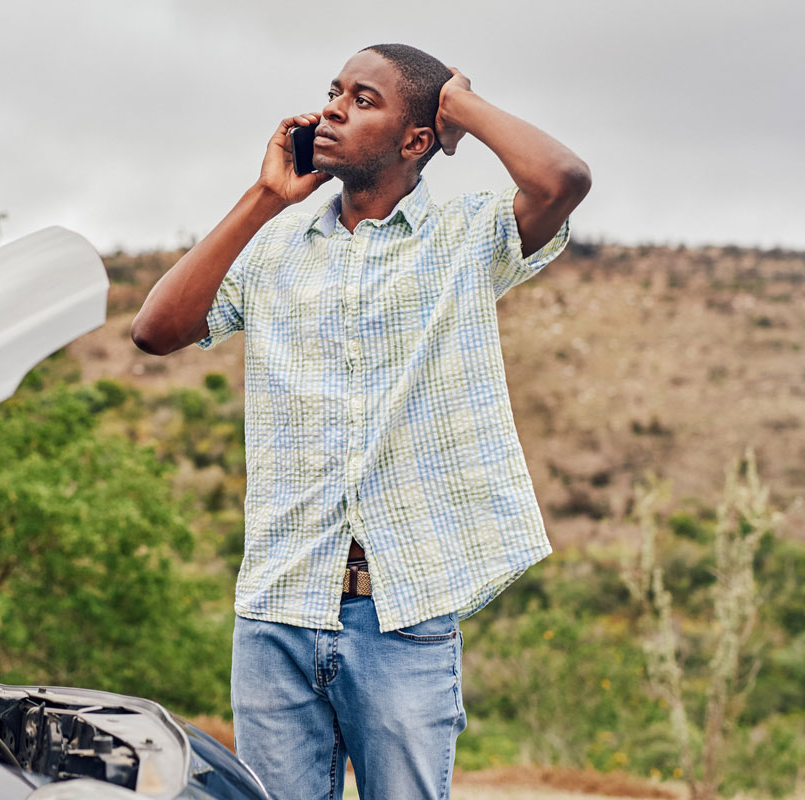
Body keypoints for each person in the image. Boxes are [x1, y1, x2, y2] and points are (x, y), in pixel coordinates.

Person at [129, 43, 590, 800]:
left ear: (417, 140)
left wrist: (459, 107)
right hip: (277, 605)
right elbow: (155, 328)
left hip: (403, 612)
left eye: (364, 99)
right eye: (334, 91)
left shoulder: (465, 239)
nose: (334, 108)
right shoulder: (274, 248)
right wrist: (265, 196)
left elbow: (562, 179)